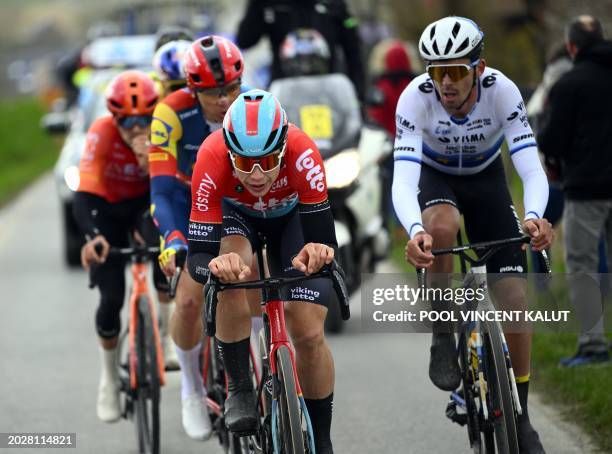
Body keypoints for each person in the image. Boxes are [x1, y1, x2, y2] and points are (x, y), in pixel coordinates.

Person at [392, 17, 553, 453]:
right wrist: (414, 232)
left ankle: (520, 416)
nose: (446, 82)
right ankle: (443, 331)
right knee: (441, 229)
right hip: (436, 178)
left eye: (457, 71)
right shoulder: (414, 98)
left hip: (486, 180)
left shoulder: (502, 91)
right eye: (436, 71)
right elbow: (403, 180)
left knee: (516, 301)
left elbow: (530, 166)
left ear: (478, 69)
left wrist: (535, 216)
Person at [187, 89, 338, 454]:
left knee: (308, 330)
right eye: (244, 161)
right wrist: (215, 266)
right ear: (228, 150)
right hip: (237, 219)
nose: (256, 174)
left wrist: (319, 252)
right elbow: (198, 257)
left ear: (284, 147)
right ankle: (239, 387)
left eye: (269, 160)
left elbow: (322, 241)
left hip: (292, 221)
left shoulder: (304, 151)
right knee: (232, 268)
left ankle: (322, 437)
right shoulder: (210, 155)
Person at [148, 35, 246, 440]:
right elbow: (161, 189)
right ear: (193, 88)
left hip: (240, 203)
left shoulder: (255, 106)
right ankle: (190, 387)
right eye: (212, 93)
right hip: (189, 206)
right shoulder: (170, 114)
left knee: (254, 280)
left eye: (230, 90)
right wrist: (172, 237)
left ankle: (257, 361)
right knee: (188, 298)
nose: (224, 102)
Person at [74, 70, 170, 422]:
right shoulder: (101, 133)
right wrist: (92, 235)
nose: (137, 126)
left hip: (145, 203)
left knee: (165, 253)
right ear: (114, 118)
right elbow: (82, 195)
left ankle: (165, 333)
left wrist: (150, 157)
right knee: (111, 297)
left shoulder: (161, 131)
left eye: (145, 117)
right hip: (108, 210)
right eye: (128, 121)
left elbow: (173, 185)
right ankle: (108, 378)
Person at [538, 15, 612, 367]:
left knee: (583, 264)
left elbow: (552, 140)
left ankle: (593, 346)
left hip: (588, 187)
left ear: (571, 46)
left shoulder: (569, 84)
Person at [235, 0, 366, 100]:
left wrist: (358, 96)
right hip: (283, 94)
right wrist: (258, 6)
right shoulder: (271, 4)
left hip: (327, 95)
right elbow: (244, 40)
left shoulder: (333, 5)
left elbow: (354, 53)